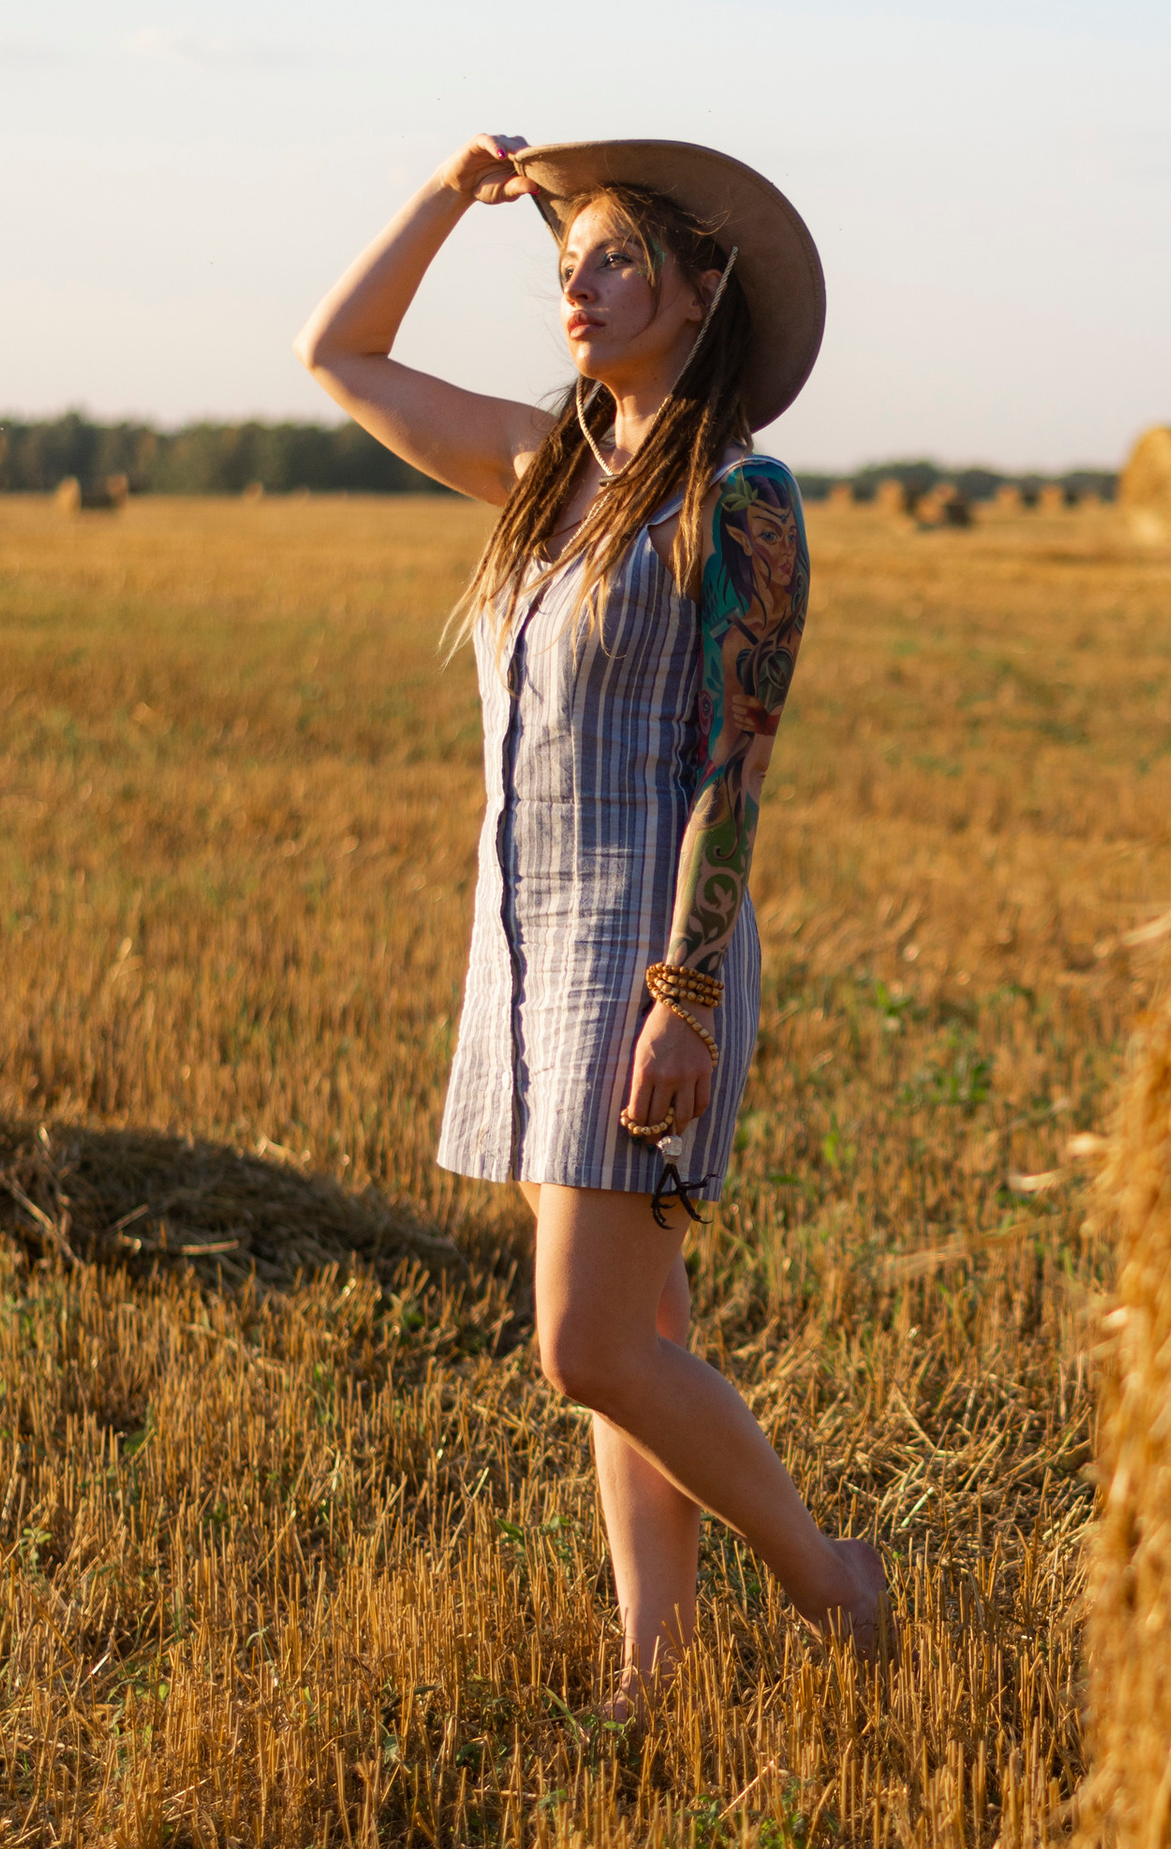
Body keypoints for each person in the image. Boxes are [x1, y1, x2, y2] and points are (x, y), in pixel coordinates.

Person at [297, 131, 886, 1700]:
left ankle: (834, 1583)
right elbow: (339, 354)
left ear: (700, 291)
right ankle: (657, 1663)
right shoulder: (544, 471)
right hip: (523, 943)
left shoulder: (739, 501)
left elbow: (734, 770)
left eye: (618, 258)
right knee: (637, 1337)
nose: (581, 285)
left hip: (642, 953)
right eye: (569, 264)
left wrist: (687, 994)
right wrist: (448, 198)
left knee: (587, 1348)